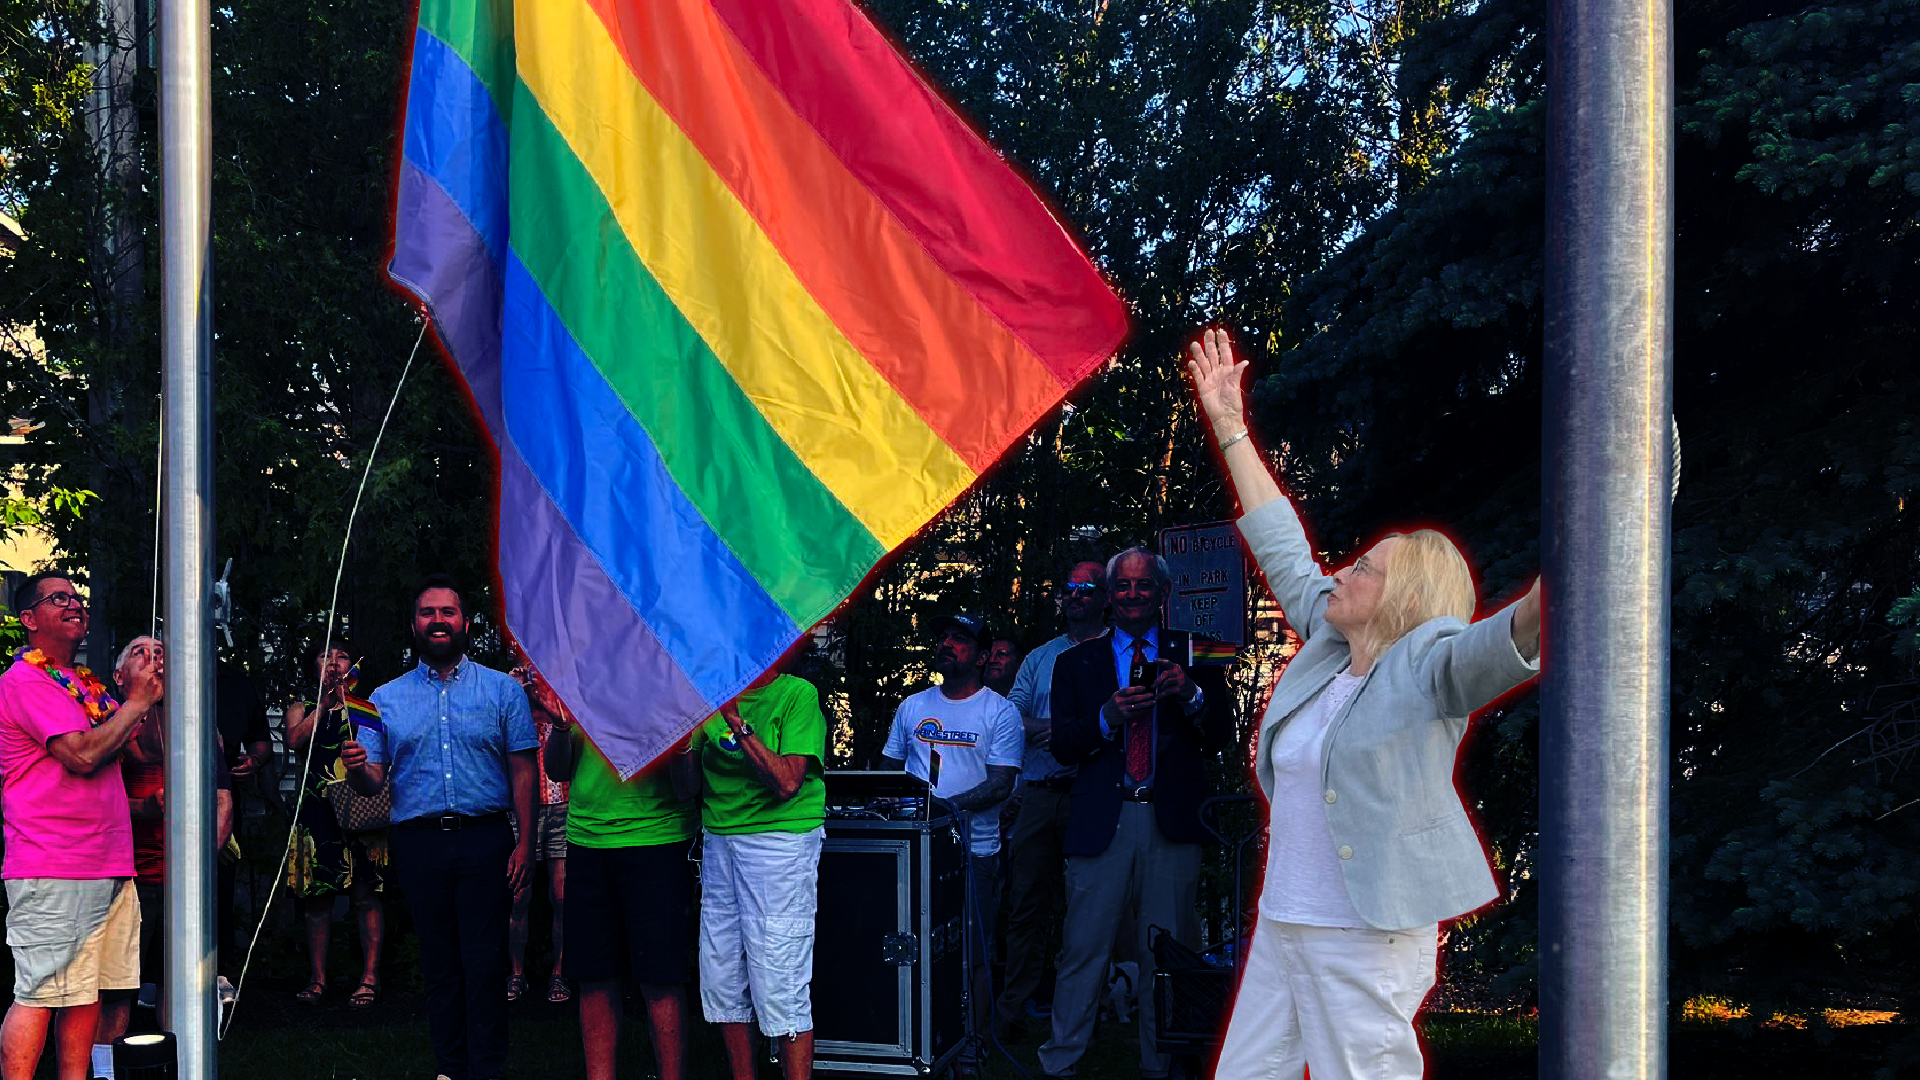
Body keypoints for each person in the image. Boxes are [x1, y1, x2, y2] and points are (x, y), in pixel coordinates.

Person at [1187, 328, 1543, 1080]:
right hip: (1286, 923)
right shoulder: (1326, 645)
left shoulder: (1434, 665)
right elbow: (1281, 546)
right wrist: (1229, 425)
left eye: (1366, 569)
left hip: (1363, 937)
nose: (1344, 570)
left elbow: (1515, 632)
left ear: (1406, 600)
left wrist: (1600, 530)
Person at [1037, 549, 1231, 1080]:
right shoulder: (1075, 661)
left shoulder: (1199, 649)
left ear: (1163, 593)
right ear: (1109, 596)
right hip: (1103, 819)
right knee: (1082, 950)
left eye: (1144, 585)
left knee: (1166, 953)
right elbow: (1063, 746)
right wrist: (1106, 717)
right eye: (1122, 586)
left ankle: (1161, 1064)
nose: (1132, 595)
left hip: (1171, 822)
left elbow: (1222, 736)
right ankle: (1060, 1062)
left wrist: (1191, 694)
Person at [342, 575, 536, 1080]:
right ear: (414, 626)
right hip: (420, 843)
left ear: (464, 622)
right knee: (440, 964)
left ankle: (486, 1070)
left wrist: (526, 844)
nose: (438, 620)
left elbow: (523, 771)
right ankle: (449, 1067)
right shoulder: (384, 699)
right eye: (427, 613)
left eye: (447, 612)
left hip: (486, 838)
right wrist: (358, 767)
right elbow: (372, 782)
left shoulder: (502, 690)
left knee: (486, 963)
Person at [0, 572, 159, 1080]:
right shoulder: (25, 680)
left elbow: (142, 752)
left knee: (86, 992)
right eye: (59, 598)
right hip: (54, 862)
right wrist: (136, 703)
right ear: (29, 619)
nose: (75, 604)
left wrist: (147, 688)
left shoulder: (84, 685)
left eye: (77, 597)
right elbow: (83, 755)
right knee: (39, 995)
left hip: (108, 861)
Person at [879, 614, 1023, 1070]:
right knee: (910, 947)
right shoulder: (912, 706)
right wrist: (893, 803)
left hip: (972, 851)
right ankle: (913, 1038)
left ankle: (973, 1042)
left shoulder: (999, 712)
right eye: (943, 637)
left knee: (972, 952)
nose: (947, 644)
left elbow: (1001, 784)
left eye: (960, 639)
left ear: (982, 657)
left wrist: (941, 810)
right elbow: (889, 771)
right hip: (910, 849)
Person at [540, 672, 700, 1080]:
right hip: (588, 840)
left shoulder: (673, 680)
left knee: (661, 979)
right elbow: (557, 771)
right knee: (594, 978)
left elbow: (688, 787)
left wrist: (681, 748)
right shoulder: (580, 677)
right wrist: (561, 728)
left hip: (658, 840)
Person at [96, 637, 234, 1066]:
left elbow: (222, 800)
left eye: (161, 653)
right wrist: (145, 808)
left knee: (180, 984)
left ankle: (184, 1066)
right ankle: (105, 1072)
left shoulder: (196, 726)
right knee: (117, 988)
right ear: (119, 677)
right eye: (141, 652)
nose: (155, 658)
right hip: (126, 876)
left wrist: (200, 867)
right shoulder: (107, 723)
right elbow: (95, 801)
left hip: (182, 878)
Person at [694, 666, 829, 1080]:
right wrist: (680, 746)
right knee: (722, 977)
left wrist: (736, 720)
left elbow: (787, 782)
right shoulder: (706, 695)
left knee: (780, 979)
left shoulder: (798, 693)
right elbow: (684, 787)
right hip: (720, 839)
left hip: (778, 842)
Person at [993, 561, 1108, 1041]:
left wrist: (1066, 733)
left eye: (1087, 587)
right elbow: (1009, 716)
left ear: (1105, 597)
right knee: (1026, 905)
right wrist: (1057, 730)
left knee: (1091, 909)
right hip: (1040, 794)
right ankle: (1012, 1011)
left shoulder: (1118, 651)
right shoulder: (1041, 657)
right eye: (1070, 587)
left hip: (1093, 793)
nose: (1076, 595)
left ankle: (1085, 1011)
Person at [283, 639, 388, 1009]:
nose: (334, 662)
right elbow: (294, 740)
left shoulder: (366, 708)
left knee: (366, 895)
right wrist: (325, 706)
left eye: (342, 656)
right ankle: (318, 979)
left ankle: (370, 977)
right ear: (313, 665)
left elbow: (381, 752)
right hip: (318, 812)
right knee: (317, 899)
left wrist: (345, 702)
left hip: (362, 808)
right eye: (325, 656)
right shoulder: (301, 707)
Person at [507, 665, 570, 1006]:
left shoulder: (560, 686)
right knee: (519, 896)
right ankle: (516, 973)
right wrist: (513, 688)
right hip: (522, 807)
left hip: (563, 802)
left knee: (562, 896)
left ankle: (559, 972)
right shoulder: (510, 689)